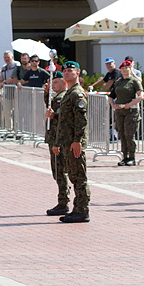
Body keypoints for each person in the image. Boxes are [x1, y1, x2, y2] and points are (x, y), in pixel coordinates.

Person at [52, 61, 90, 223]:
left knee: (79, 176)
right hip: (67, 142)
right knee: (74, 176)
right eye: (65, 71)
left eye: (70, 71)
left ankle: (82, 210)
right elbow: (64, 122)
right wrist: (59, 142)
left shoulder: (77, 94)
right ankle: (76, 208)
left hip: (74, 143)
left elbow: (81, 120)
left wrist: (77, 141)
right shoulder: (68, 93)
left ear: (77, 74)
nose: (67, 73)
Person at [43, 71, 71, 214]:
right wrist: (47, 93)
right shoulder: (56, 97)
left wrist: (57, 142)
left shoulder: (63, 98)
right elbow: (50, 106)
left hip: (58, 139)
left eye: (55, 82)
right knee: (57, 171)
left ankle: (63, 201)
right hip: (54, 138)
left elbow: (61, 117)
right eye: (51, 82)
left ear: (63, 83)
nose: (53, 84)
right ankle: (62, 199)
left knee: (60, 171)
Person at [110, 60, 143, 166]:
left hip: (131, 110)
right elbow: (111, 95)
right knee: (122, 134)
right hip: (120, 110)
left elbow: (140, 96)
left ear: (130, 69)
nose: (124, 70)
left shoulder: (134, 81)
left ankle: (132, 157)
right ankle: (124, 157)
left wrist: (130, 104)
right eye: (123, 68)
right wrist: (112, 105)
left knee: (129, 134)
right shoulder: (118, 81)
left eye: (127, 68)